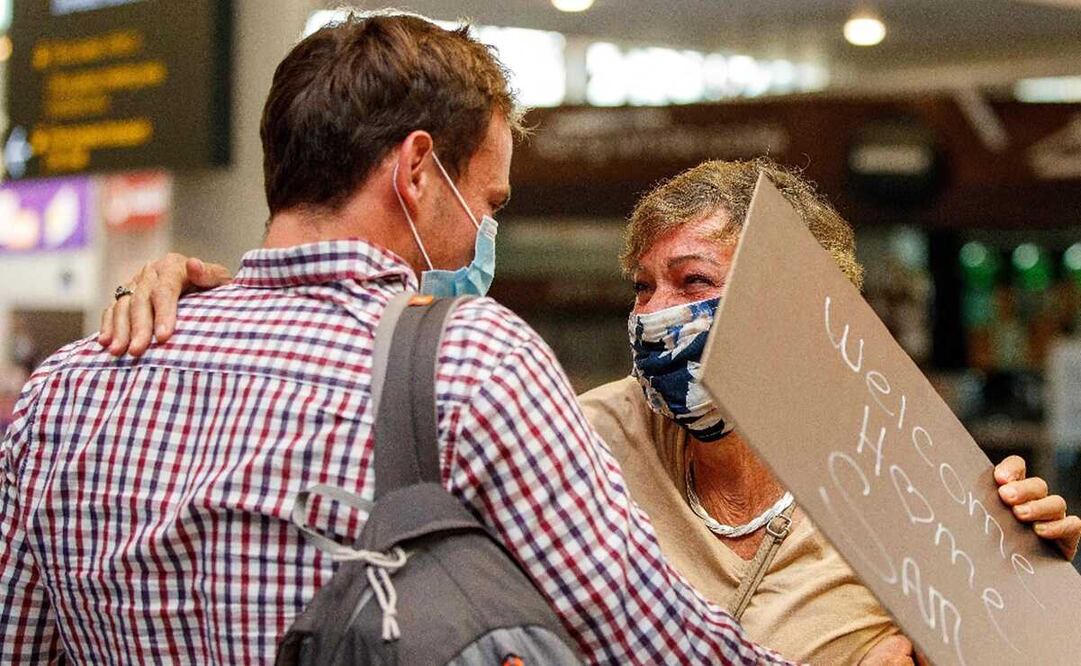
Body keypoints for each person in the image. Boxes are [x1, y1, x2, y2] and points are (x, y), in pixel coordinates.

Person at [0, 13, 795, 665]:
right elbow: (646, 643)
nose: (484, 234)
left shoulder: (65, 390)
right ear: (417, 169)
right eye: (485, 202)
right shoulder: (470, 364)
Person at [111, 158, 1081, 665]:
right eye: (641, 285)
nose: (653, 315)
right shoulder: (575, 433)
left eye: (690, 282)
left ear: (800, 306)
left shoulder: (908, 474)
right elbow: (344, 433)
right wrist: (235, 300)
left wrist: (1030, 579)